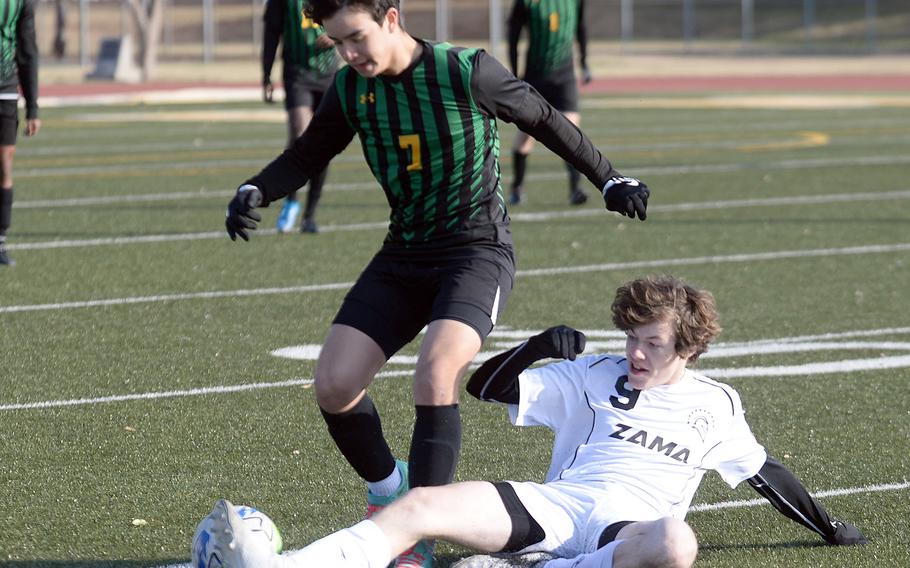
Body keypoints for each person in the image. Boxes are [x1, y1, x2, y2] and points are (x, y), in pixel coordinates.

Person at [225, 0, 650, 565]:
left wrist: (608, 176)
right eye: (337, 44)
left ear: (392, 18)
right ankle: (387, 492)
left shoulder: (464, 70)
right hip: (403, 255)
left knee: (436, 371)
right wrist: (256, 190)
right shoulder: (352, 88)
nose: (349, 54)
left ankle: (415, 534)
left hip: (475, 253)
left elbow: (543, 117)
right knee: (333, 384)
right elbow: (307, 154)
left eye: (356, 38)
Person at [201, 275, 868, 568]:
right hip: (554, 508)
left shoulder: (715, 404)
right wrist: (538, 348)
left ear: (689, 348)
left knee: (676, 544)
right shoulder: (595, 371)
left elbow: (765, 473)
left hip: (625, 532)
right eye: (631, 337)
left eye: (652, 343)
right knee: (421, 503)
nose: (635, 352)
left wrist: (830, 528)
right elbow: (485, 387)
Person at [262, 0, 339, 233]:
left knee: (323, 143)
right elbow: (271, 33)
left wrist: (336, 37)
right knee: (300, 134)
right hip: (297, 73)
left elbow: (357, 18)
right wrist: (265, 75)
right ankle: (291, 199)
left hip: (327, 73)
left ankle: (310, 214)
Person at [506, 0, 591, 206]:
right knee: (527, 135)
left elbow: (580, 26)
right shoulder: (526, 3)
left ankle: (575, 189)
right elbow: (513, 36)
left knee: (571, 130)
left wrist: (584, 62)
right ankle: (517, 186)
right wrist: (516, 75)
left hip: (565, 76)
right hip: (536, 76)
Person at [0, 0, 40, 267]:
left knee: (4, 164)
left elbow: (27, 51)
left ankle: (0, 240)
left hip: (5, 88)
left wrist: (33, 106)